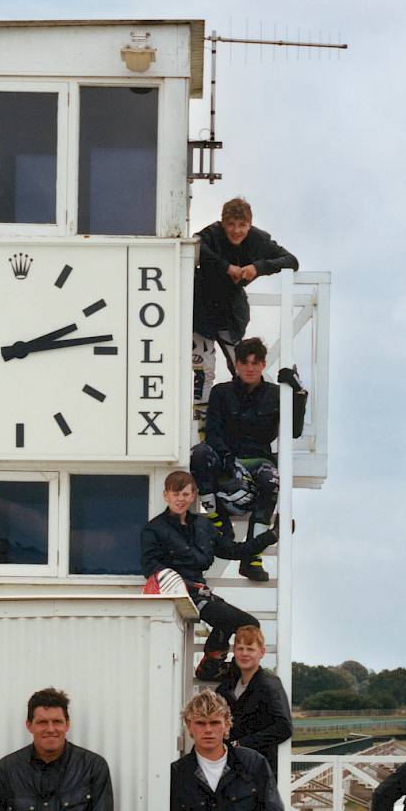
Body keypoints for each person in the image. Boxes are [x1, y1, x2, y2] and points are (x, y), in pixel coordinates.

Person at [141, 468, 277, 682]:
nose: (180, 499)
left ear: (193, 496)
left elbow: (234, 550)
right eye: (175, 494)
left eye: (185, 494)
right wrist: (183, 584)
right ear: (166, 495)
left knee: (248, 624)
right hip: (176, 595)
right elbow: (149, 567)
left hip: (201, 594)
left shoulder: (203, 525)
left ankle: (214, 665)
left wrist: (271, 536)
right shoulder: (154, 529)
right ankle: (212, 666)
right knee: (232, 620)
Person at [192, 196, 298, 438]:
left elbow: (291, 261)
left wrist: (257, 268)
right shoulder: (211, 234)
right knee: (203, 372)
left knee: (244, 369)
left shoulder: (258, 239)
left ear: (250, 224)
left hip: (231, 314)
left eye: (242, 225)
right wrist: (226, 267)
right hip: (201, 312)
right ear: (223, 223)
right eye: (231, 224)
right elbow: (194, 245)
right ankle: (200, 431)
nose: (236, 231)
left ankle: (247, 425)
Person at [190, 336, 281, 582]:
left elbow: (293, 430)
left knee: (272, 479)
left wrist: (298, 394)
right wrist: (226, 456)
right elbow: (213, 431)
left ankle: (253, 557)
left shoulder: (276, 394)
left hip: (257, 461)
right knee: (199, 454)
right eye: (244, 362)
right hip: (225, 459)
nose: (250, 368)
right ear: (237, 364)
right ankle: (217, 518)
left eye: (255, 362)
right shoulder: (221, 392)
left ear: (263, 364)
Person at [216, 625, 293, 770]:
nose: (244, 653)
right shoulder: (228, 685)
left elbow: (284, 727)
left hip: (258, 766)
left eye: (250, 649)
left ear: (261, 652)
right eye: (240, 648)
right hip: (229, 765)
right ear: (234, 651)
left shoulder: (270, 684)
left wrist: (242, 744)